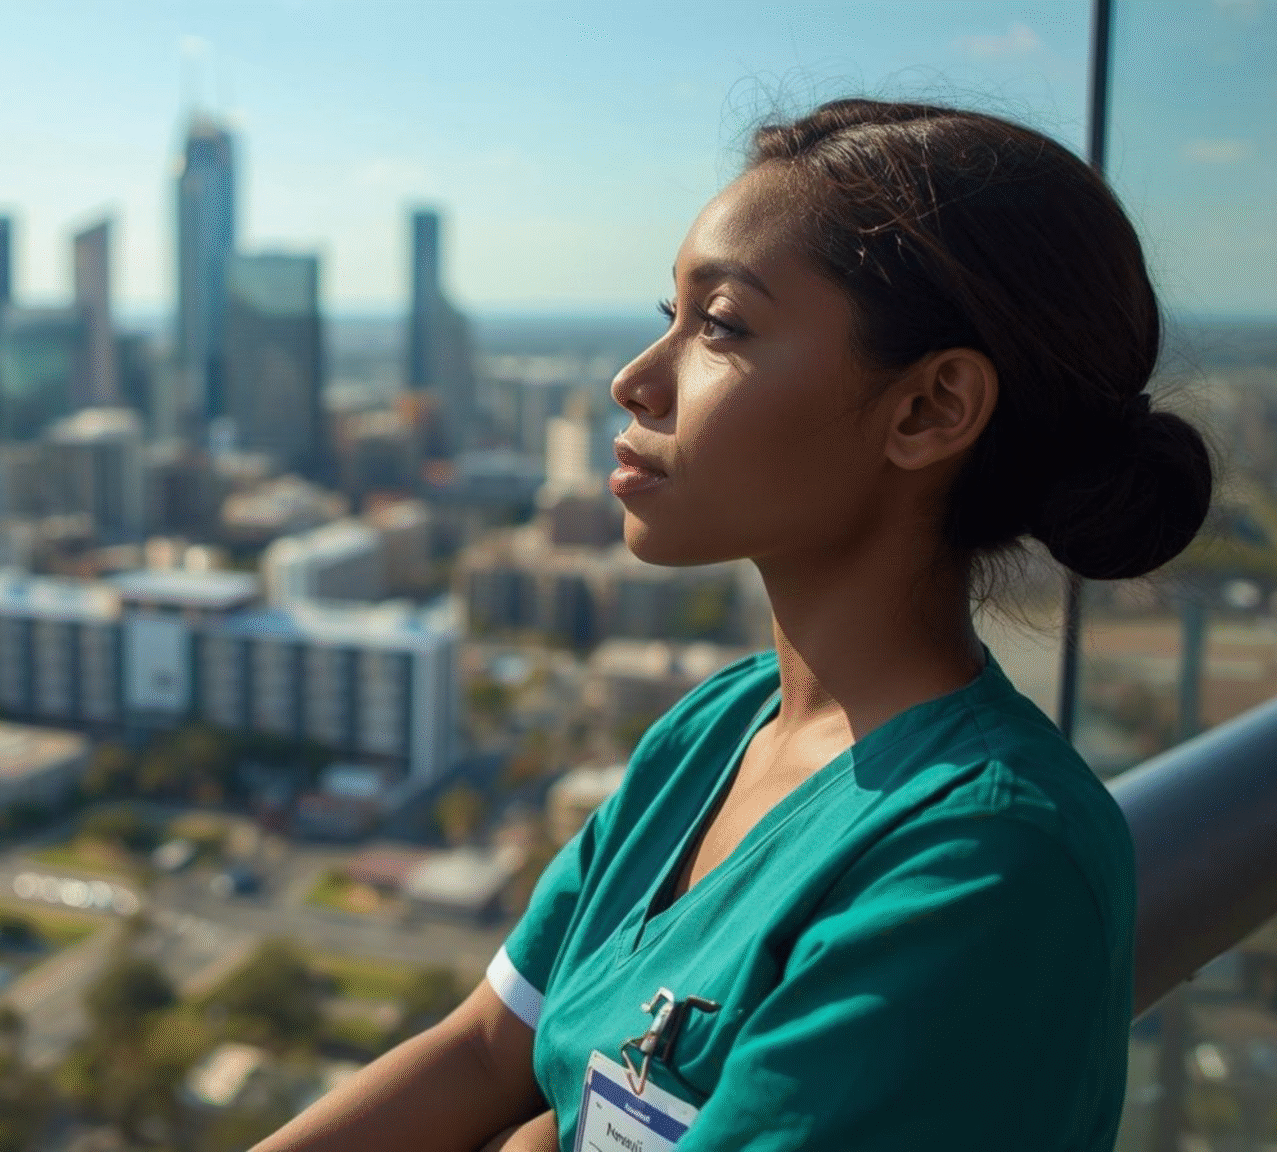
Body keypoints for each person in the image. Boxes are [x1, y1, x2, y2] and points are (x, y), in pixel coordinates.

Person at [254, 98, 1211, 1151]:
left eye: (719, 326)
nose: (635, 380)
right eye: (666, 315)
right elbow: (490, 1048)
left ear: (928, 410)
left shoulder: (982, 866)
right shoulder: (717, 730)